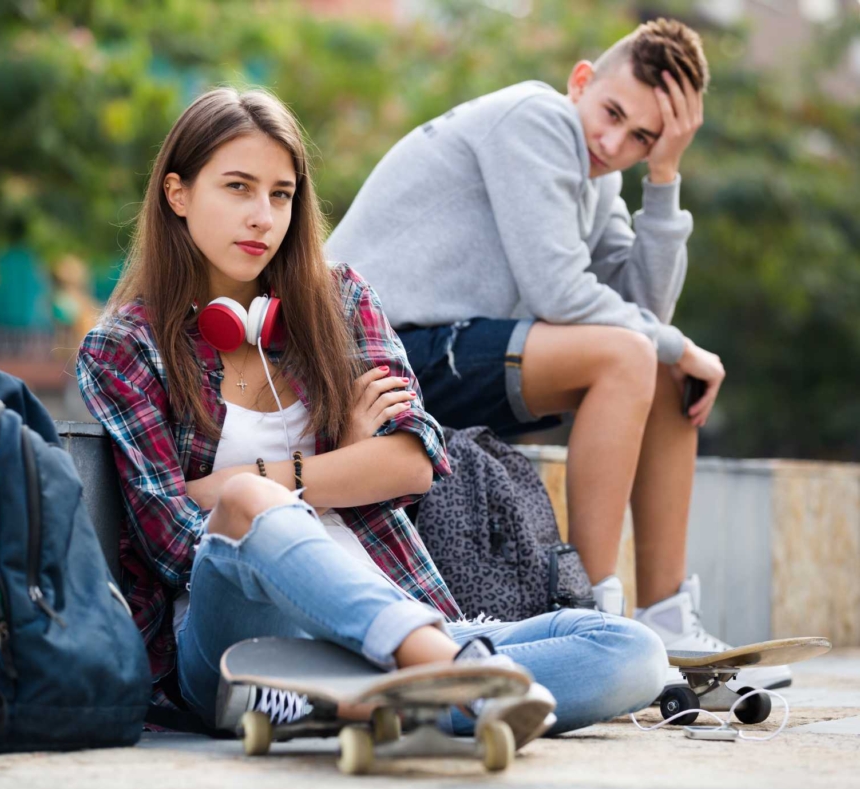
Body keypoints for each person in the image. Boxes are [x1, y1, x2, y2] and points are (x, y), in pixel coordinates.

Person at [77, 87, 667, 746]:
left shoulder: (341, 300)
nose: (262, 217)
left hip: (389, 606)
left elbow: (414, 463)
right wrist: (342, 466)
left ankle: (372, 700)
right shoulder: (127, 345)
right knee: (244, 501)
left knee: (633, 650)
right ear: (178, 194)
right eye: (238, 187)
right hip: (234, 645)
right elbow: (175, 536)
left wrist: (275, 478)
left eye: (280, 193)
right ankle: (447, 675)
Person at [326, 19, 789, 690]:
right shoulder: (536, 119)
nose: (614, 142)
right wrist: (681, 345)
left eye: (643, 138)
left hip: (444, 351)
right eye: (612, 114)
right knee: (640, 355)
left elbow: (643, 310)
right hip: (373, 352)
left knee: (656, 367)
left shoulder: (599, 178)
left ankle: (664, 617)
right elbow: (560, 292)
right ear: (580, 82)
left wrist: (663, 178)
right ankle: (592, 613)